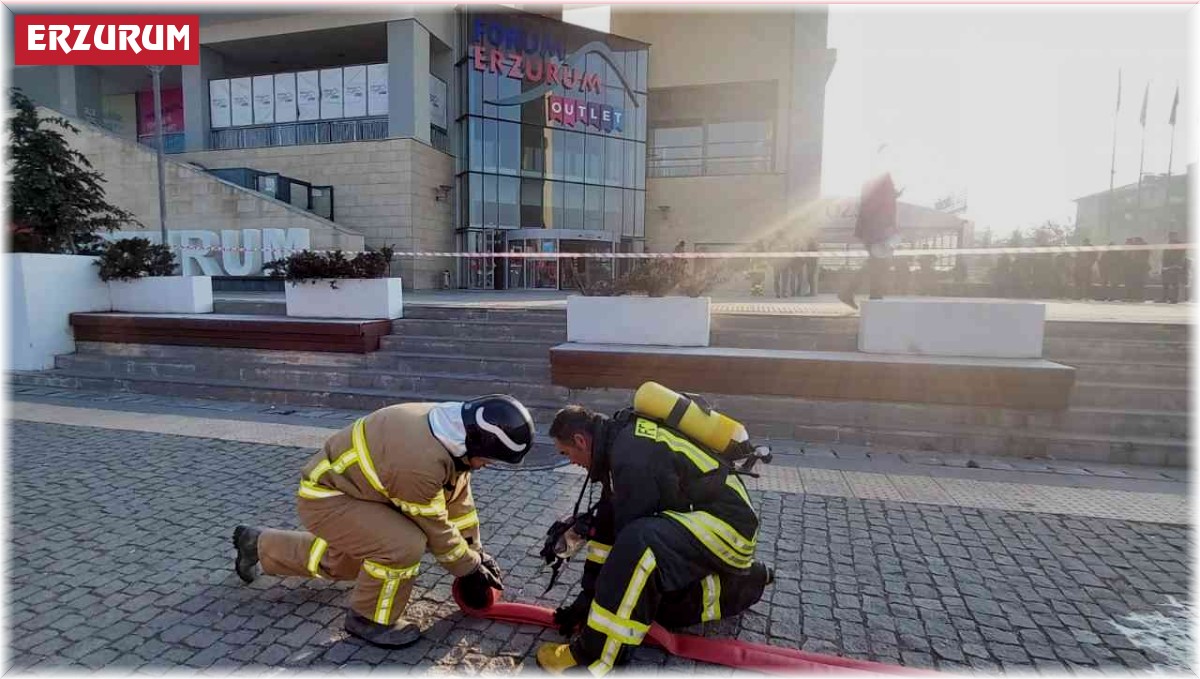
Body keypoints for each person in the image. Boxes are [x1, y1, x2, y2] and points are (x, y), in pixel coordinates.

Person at [231, 395, 535, 649]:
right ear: (476, 441)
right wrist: (468, 570)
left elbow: (458, 505)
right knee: (402, 546)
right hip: (327, 498)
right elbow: (436, 529)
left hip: (360, 493)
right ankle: (369, 619)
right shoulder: (421, 461)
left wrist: (476, 553)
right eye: (488, 459)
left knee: (348, 564)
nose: (486, 466)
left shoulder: (451, 434)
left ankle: (257, 544)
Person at [536, 406, 772, 675]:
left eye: (566, 454)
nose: (572, 462)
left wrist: (594, 625)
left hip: (730, 527)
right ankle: (747, 582)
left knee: (639, 546)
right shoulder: (617, 446)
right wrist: (587, 597)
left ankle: (595, 655)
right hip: (701, 519)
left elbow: (630, 547)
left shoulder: (631, 455)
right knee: (650, 605)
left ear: (580, 440)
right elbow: (608, 529)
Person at [839, 146, 901, 309]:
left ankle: (870, 298)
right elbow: (874, 204)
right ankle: (869, 298)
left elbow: (872, 201)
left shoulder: (875, 176)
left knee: (877, 264)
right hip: (878, 230)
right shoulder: (881, 176)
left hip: (875, 229)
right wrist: (886, 228)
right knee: (878, 264)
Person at [1160, 232, 1189, 303]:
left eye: (1172, 236)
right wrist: (1164, 266)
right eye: (1170, 236)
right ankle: (1165, 297)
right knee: (1165, 283)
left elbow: (1181, 256)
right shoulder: (1168, 245)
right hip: (1167, 267)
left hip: (1175, 267)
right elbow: (1165, 255)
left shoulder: (1179, 245)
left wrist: (1176, 265)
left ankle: (1174, 299)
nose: (1171, 237)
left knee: (1174, 284)